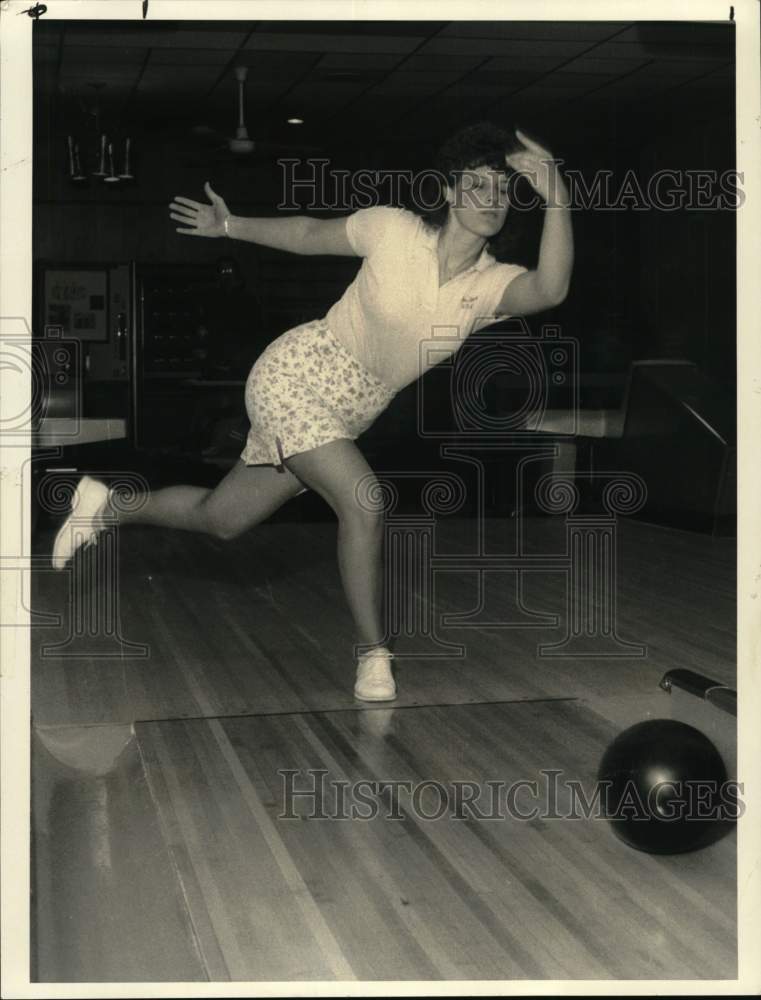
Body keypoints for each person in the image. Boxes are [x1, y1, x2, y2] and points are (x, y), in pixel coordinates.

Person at [52, 122, 573, 702]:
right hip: (297, 374)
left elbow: (550, 290)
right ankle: (375, 654)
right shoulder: (394, 230)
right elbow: (306, 232)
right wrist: (230, 225)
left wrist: (557, 195)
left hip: (349, 414)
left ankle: (106, 505)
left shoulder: (490, 286)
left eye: (502, 192)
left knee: (221, 519)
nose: (490, 201)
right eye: (477, 185)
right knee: (364, 499)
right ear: (449, 191)